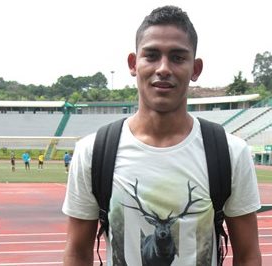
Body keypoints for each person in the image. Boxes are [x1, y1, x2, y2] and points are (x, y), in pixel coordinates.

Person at [62, 5, 261, 266]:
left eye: (178, 57)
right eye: (152, 55)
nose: (163, 68)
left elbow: (247, 254)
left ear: (196, 68)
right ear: (134, 64)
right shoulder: (94, 152)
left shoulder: (230, 152)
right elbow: (77, 252)